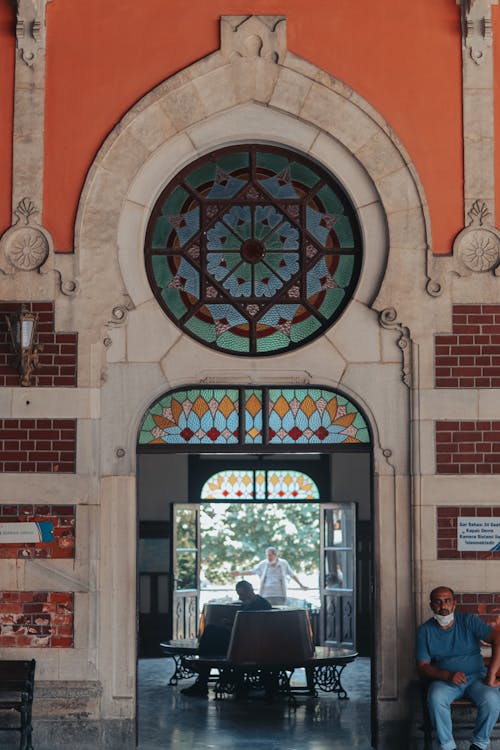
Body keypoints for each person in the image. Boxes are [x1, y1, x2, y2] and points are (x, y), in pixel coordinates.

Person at [416, 585, 500, 750]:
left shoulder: (468, 621)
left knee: (491, 698)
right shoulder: (424, 631)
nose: (443, 606)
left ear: (454, 603)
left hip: (476, 677)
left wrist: (491, 675)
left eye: (447, 601)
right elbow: (423, 666)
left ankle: (479, 744)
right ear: (431, 605)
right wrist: (447, 675)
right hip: (445, 680)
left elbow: (498, 638)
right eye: (438, 602)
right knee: (436, 697)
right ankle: (448, 746)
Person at [181, 581, 271, 698]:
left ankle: (201, 678)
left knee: (210, 635)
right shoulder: (253, 603)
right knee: (210, 632)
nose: (239, 597)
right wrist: (230, 623)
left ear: (250, 591)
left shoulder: (261, 605)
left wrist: (232, 624)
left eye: (241, 594)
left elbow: (254, 627)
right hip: (241, 640)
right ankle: (201, 672)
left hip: (248, 644)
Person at [231, 546, 308, 606]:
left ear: (275, 555)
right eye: (267, 555)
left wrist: (301, 585)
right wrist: (240, 573)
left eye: (270, 555)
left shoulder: (283, 563)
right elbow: (253, 571)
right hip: (266, 594)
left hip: (279, 594)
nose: (268, 557)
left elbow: (292, 575)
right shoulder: (264, 564)